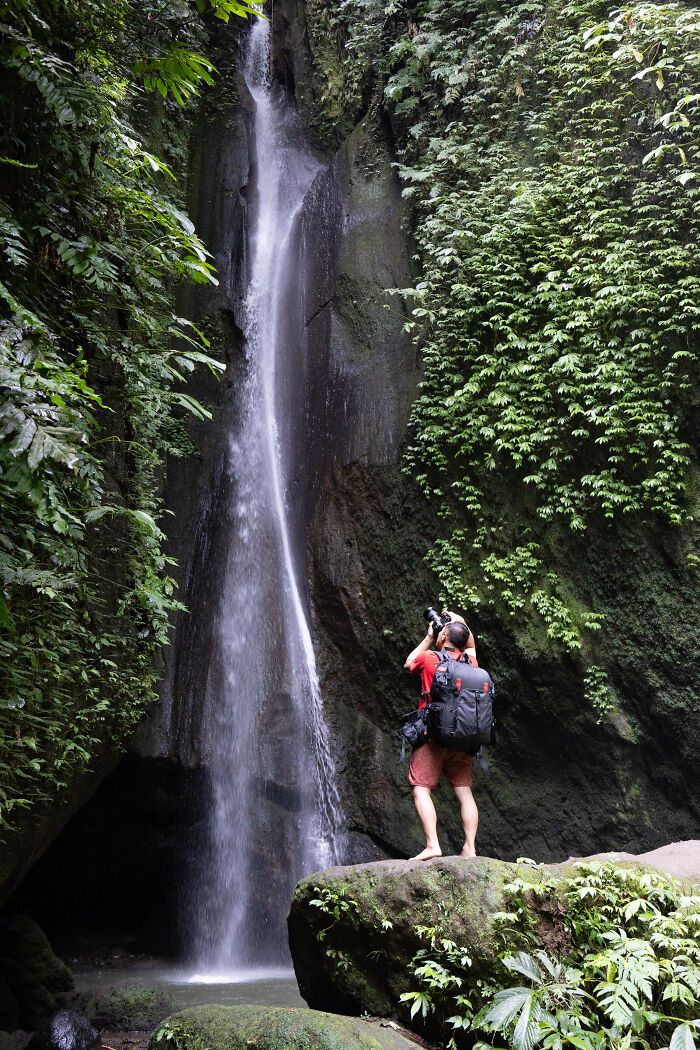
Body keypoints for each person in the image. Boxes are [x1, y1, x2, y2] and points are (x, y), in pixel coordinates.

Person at [403, 613, 479, 861]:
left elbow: (409, 663)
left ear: (443, 635)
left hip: (432, 737)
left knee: (421, 789)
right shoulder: (471, 663)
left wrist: (429, 637)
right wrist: (461, 620)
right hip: (462, 737)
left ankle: (433, 845)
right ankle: (470, 848)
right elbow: (470, 644)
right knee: (464, 792)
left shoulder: (429, 658)